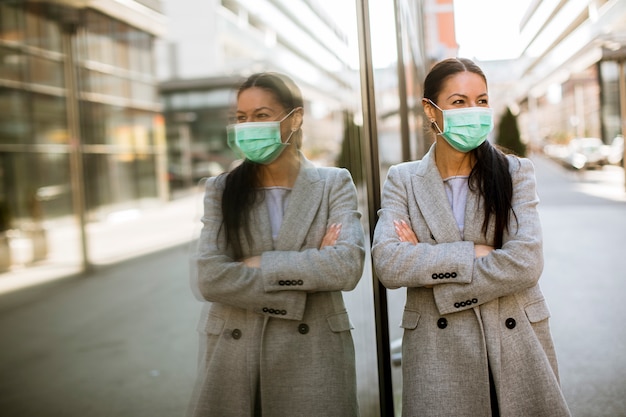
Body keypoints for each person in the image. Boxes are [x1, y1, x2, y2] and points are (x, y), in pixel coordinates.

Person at [372, 58, 571, 417]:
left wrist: (429, 264)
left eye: (481, 100)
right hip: (437, 350)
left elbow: (525, 263)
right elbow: (389, 263)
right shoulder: (403, 179)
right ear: (430, 110)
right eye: (459, 102)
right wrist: (472, 254)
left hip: (513, 341)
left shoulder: (515, 172)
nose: (474, 111)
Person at [188, 72, 365, 417]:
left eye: (261, 115)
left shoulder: (333, 183)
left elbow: (346, 266)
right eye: (242, 118)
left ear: (294, 118)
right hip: (237, 354)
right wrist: (312, 264)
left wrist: (257, 265)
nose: (249, 126)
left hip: (313, 350)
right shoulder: (221, 189)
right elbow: (209, 277)